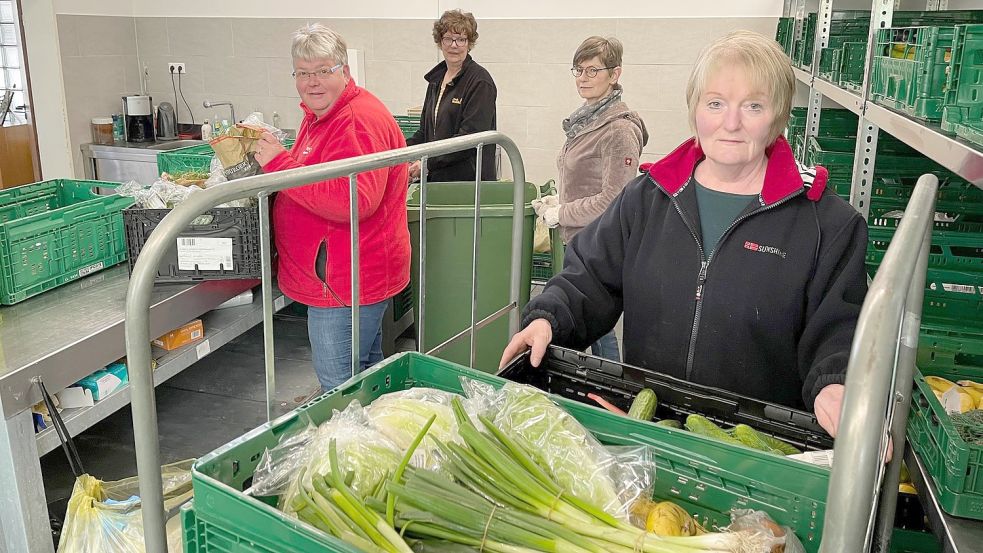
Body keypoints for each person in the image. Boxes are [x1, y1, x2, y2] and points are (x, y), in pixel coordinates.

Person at [500, 30, 869, 438]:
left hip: (757, 449)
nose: (730, 122)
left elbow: (841, 328)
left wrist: (835, 382)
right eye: (715, 103)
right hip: (646, 431)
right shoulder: (648, 197)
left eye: (753, 105)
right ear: (695, 110)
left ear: (778, 115)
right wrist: (547, 318)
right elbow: (588, 277)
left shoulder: (826, 224)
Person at [254, 23, 411, 393]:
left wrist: (280, 166)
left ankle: (354, 446)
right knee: (367, 375)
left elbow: (354, 199)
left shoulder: (355, 120)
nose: (313, 82)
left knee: (339, 388)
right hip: (342, 277)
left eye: (323, 71)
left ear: (344, 71)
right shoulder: (324, 114)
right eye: (304, 73)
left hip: (343, 282)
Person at [532, 36, 648, 362]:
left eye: (593, 70)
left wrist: (563, 212)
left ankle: (608, 380)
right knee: (592, 323)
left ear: (615, 74)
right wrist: (559, 199)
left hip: (600, 243)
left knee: (598, 324)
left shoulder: (618, 131)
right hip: (580, 237)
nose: (583, 78)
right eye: (579, 70)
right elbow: (587, 179)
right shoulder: (587, 119)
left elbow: (615, 198)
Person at [406, 9, 497, 183]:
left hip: (468, 185)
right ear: (440, 42)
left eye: (461, 39)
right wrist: (398, 151)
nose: (454, 45)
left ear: (469, 43)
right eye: (448, 38)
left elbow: (468, 140)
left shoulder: (480, 82)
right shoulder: (436, 80)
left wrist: (426, 163)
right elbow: (425, 133)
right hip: (439, 181)